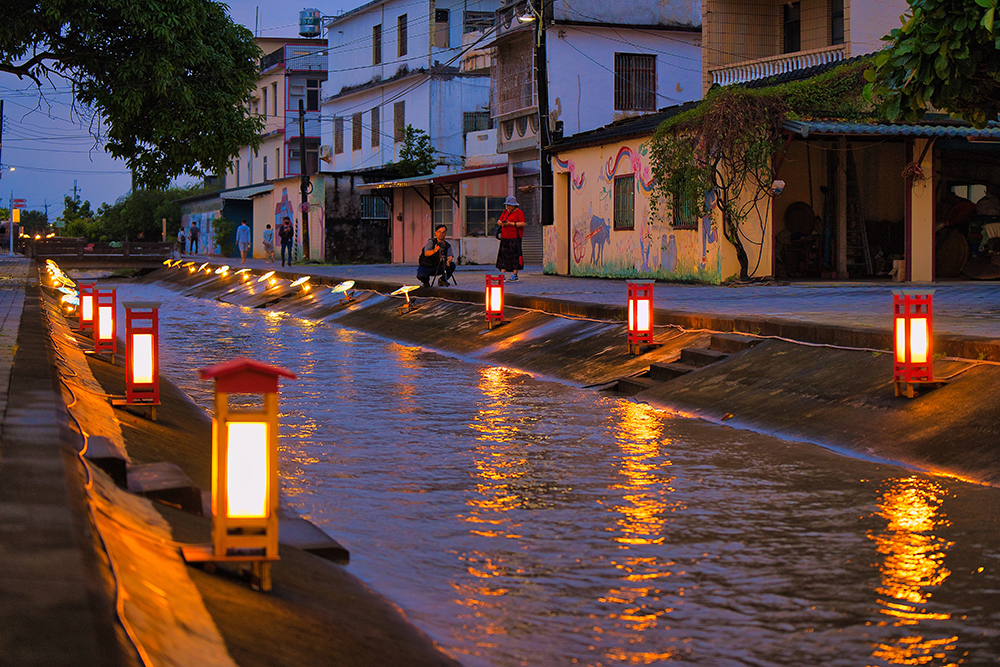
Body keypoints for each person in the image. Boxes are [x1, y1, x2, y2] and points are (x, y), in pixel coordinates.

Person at [495, 195, 525, 281]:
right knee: (503, 255)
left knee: (515, 255)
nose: (508, 207)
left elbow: (522, 223)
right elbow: (499, 221)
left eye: (510, 205)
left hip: (515, 237)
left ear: (514, 205)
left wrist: (511, 224)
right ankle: (502, 274)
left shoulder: (519, 212)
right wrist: (502, 223)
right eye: (507, 205)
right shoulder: (505, 212)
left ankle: (514, 274)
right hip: (505, 237)